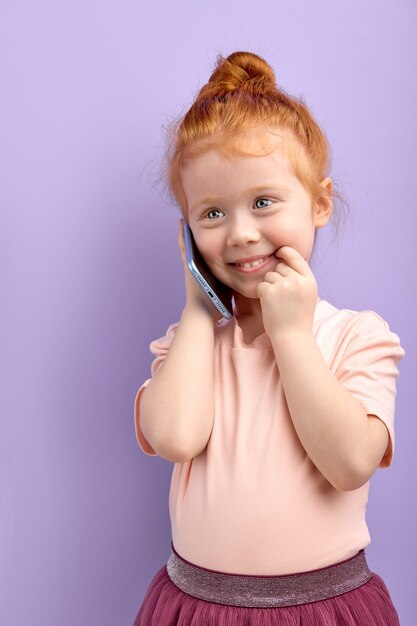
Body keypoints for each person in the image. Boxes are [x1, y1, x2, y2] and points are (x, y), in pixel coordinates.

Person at [132, 50, 405, 625]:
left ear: (321, 203)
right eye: (211, 214)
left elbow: (352, 462)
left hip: (324, 609)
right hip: (196, 607)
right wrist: (199, 311)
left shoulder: (357, 335)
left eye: (263, 202)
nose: (241, 234)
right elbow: (176, 437)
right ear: (186, 235)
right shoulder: (189, 345)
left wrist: (291, 336)